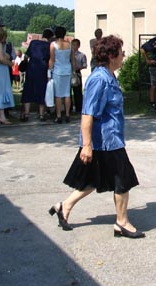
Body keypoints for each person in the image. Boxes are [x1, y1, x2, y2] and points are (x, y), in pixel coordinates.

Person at [49, 35, 144, 239]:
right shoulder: (99, 79)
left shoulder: (109, 75)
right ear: (111, 56)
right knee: (123, 179)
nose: (123, 56)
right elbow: (87, 113)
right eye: (121, 53)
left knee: (93, 179)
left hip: (109, 140)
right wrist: (86, 145)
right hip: (105, 141)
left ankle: (64, 206)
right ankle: (122, 222)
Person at [21, 28, 53, 122]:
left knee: (28, 90)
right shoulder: (49, 46)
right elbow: (50, 59)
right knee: (42, 90)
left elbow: (26, 56)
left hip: (31, 68)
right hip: (42, 69)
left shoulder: (33, 43)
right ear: (50, 37)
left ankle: (26, 114)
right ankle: (41, 115)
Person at [49, 26, 75, 123]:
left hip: (57, 71)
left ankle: (59, 116)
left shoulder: (53, 45)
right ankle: (67, 115)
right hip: (67, 70)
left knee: (58, 95)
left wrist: (49, 70)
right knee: (67, 94)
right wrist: (74, 71)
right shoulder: (69, 45)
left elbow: (52, 60)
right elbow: (73, 59)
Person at [71, 39, 88, 114]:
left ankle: (79, 108)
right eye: (73, 45)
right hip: (69, 72)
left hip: (77, 72)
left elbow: (85, 65)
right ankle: (70, 107)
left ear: (78, 46)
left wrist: (78, 67)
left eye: (75, 45)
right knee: (68, 91)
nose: (74, 46)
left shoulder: (81, 55)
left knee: (77, 91)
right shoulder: (69, 54)